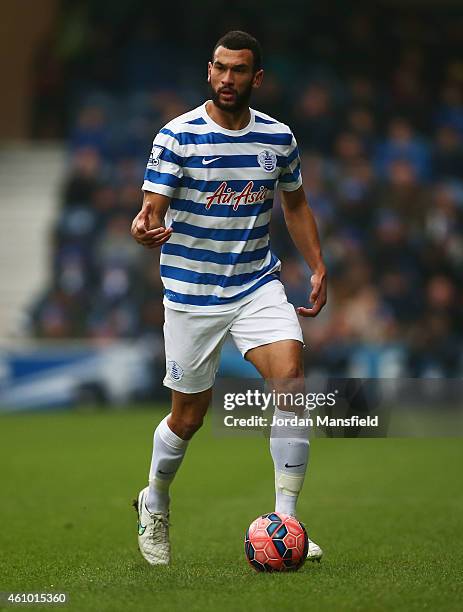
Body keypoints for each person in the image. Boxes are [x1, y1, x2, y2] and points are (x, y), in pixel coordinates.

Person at [130, 30, 327, 566]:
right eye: (219, 68)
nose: (226, 79)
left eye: (238, 70)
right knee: (189, 418)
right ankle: (155, 498)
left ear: (256, 78)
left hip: (256, 284)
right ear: (209, 71)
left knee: (290, 378)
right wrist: (145, 224)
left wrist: (316, 265)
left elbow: (296, 204)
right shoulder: (178, 136)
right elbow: (152, 207)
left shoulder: (278, 138)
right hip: (193, 294)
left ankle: (287, 522)